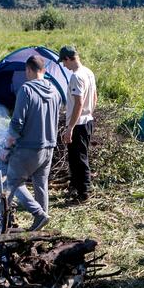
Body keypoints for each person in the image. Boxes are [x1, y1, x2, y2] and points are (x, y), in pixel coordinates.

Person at [0, 55, 62, 231]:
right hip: (49, 147)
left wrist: (7, 146)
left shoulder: (26, 89)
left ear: (28, 70)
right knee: (41, 185)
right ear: (43, 70)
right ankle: (41, 223)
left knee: (13, 182)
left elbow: (17, 122)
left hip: (28, 147)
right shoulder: (55, 91)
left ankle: (39, 214)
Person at [59, 45, 97, 203]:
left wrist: (70, 128)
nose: (63, 65)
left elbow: (78, 103)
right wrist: (90, 114)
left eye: (63, 62)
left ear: (68, 59)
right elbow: (94, 97)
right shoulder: (88, 72)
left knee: (80, 159)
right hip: (88, 120)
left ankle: (84, 193)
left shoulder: (76, 76)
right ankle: (75, 186)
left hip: (79, 124)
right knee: (75, 158)